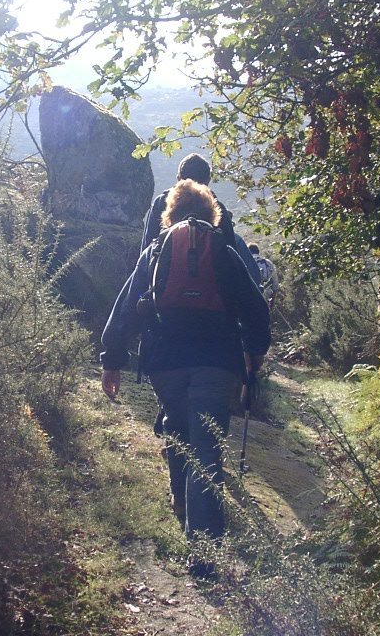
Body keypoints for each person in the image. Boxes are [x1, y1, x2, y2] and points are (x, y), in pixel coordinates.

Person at [102, 179, 270, 576]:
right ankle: (206, 554)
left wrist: (112, 360)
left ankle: (181, 502)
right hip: (217, 364)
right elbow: (256, 311)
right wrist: (254, 354)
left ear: (170, 214)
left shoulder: (156, 251)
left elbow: (125, 308)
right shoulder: (226, 252)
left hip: (166, 364)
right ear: (212, 213)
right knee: (206, 450)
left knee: (177, 432)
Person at [139, 153, 261, 287]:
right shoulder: (217, 206)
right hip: (212, 290)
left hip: (166, 288)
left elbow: (146, 248)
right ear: (208, 180)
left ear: (178, 178)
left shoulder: (161, 202)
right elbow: (232, 258)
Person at [248, 243, 280, 307]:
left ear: (248, 252)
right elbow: (275, 283)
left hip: (250, 297)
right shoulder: (268, 263)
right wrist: (273, 300)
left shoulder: (246, 262)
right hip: (266, 296)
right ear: (258, 252)